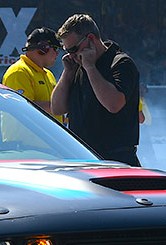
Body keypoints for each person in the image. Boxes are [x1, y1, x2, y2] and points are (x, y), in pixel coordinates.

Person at [51, 13, 140, 166]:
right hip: (82, 157)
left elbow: (114, 104)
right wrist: (68, 73)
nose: (71, 55)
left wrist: (91, 67)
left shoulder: (121, 63)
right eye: (67, 51)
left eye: (73, 49)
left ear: (91, 39)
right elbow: (57, 108)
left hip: (115, 160)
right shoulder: (77, 66)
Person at [3, 27, 62, 123]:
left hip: (42, 137)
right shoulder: (19, 72)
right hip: (22, 138)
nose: (57, 53)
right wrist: (60, 107)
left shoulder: (48, 74)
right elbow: (22, 107)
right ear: (43, 48)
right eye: (55, 48)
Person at [138, 83, 154, 166]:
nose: (144, 91)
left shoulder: (142, 99)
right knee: (147, 152)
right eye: (142, 88)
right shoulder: (137, 99)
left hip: (144, 128)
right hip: (141, 128)